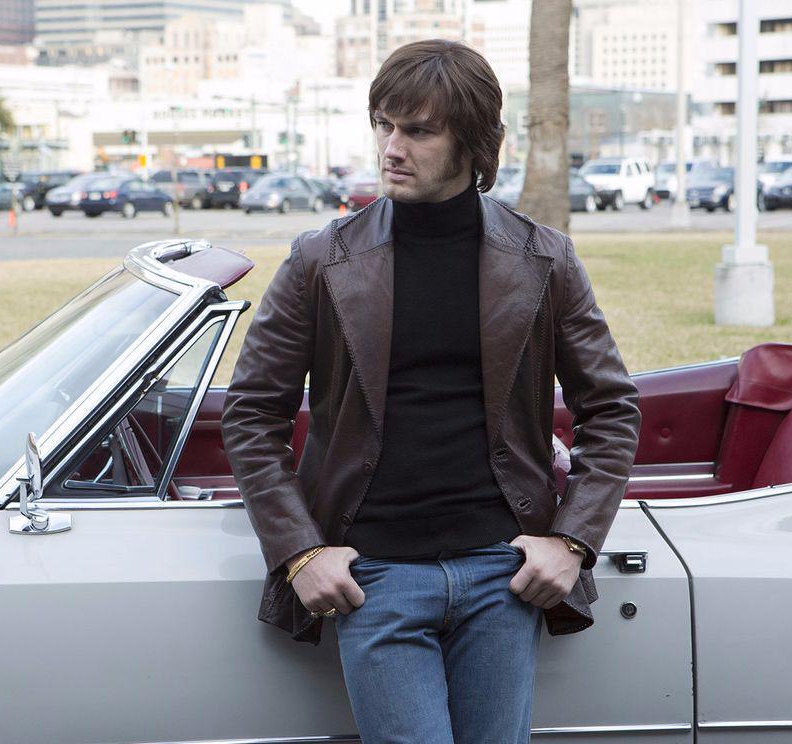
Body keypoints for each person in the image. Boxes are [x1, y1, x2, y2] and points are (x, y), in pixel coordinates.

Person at [221, 39, 642, 744]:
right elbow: (251, 414)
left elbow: (612, 407)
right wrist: (300, 551)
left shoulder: (543, 258)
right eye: (384, 124)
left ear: (474, 144)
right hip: (376, 575)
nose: (392, 147)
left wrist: (571, 542)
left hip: (503, 573)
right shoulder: (322, 259)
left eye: (418, 130)